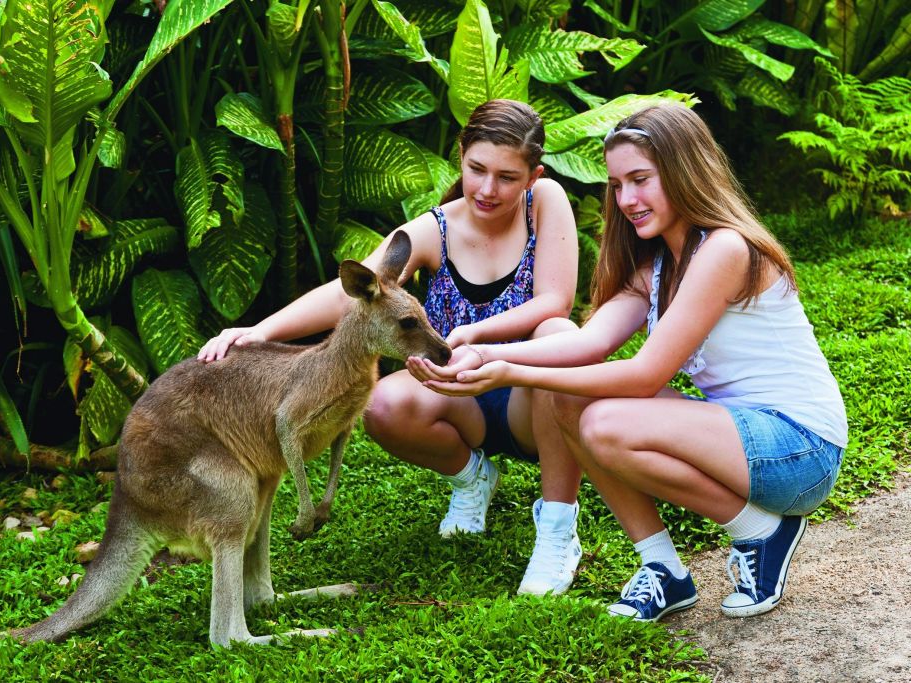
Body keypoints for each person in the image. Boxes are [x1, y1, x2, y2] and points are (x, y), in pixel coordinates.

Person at [409, 104, 847, 620]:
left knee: (605, 420)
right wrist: (484, 351)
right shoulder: (657, 266)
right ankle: (663, 569)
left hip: (800, 449)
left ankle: (761, 532)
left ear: (684, 171)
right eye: (617, 185)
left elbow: (645, 375)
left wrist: (509, 373)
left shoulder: (725, 249)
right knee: (574, 397)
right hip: (740, 439)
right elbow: (586, 345)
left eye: (641, 180)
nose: (628, 200)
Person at [198, 99, 586, 595]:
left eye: (508, 178)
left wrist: (479, 337)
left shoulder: (546, 200)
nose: (489, 189)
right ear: (460, 155)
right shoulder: (435, 229)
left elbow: (556, 298)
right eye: (477, 170)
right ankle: (472, 478)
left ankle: (556, 530)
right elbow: (354, 293)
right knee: (381, 402)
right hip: (457, 395)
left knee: (562, 336)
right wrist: (261, 331)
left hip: (530, 398)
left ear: (534, 175)